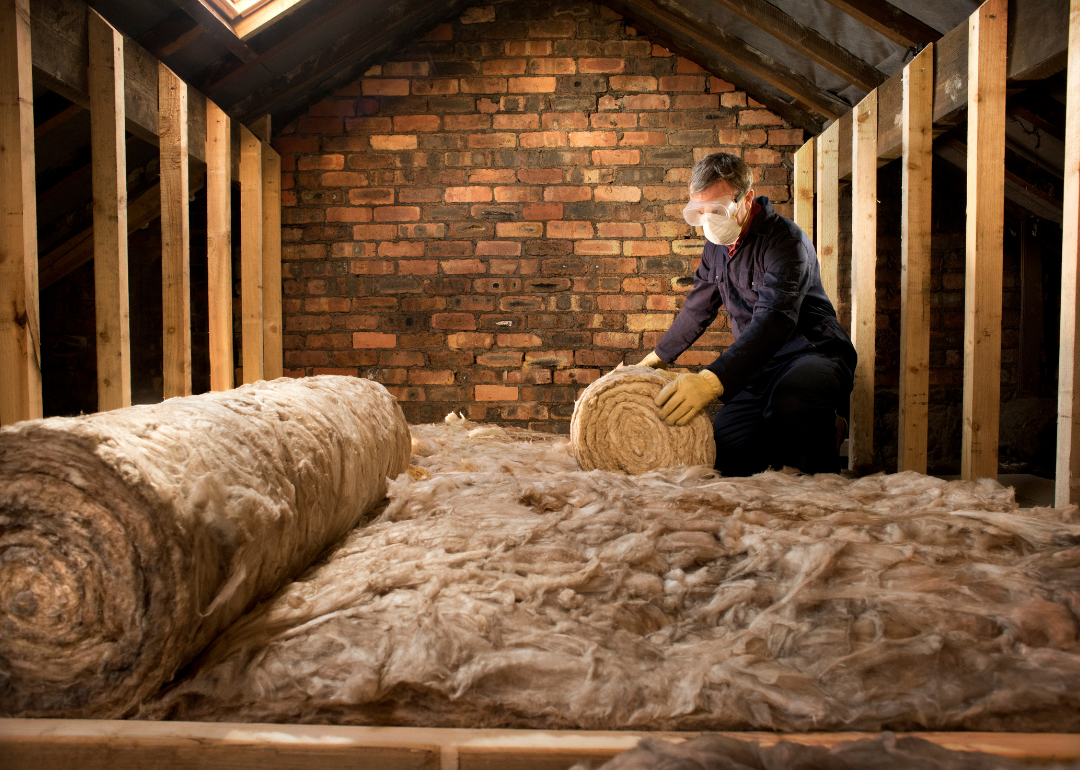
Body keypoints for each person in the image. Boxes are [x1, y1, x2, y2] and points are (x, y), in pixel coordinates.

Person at [639, 152, 857, 476]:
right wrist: (654, 360)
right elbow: (698, 306)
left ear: (746, 199)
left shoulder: (785, 241)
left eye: (717, 210)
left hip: (810, 353)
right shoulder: (715, 246)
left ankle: (823, 438)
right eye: (699, 212)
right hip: (759, 367)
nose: (708, 220)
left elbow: (775, 320)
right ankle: (793, 432)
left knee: (793, 404)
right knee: (728, 453)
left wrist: (711, 382)